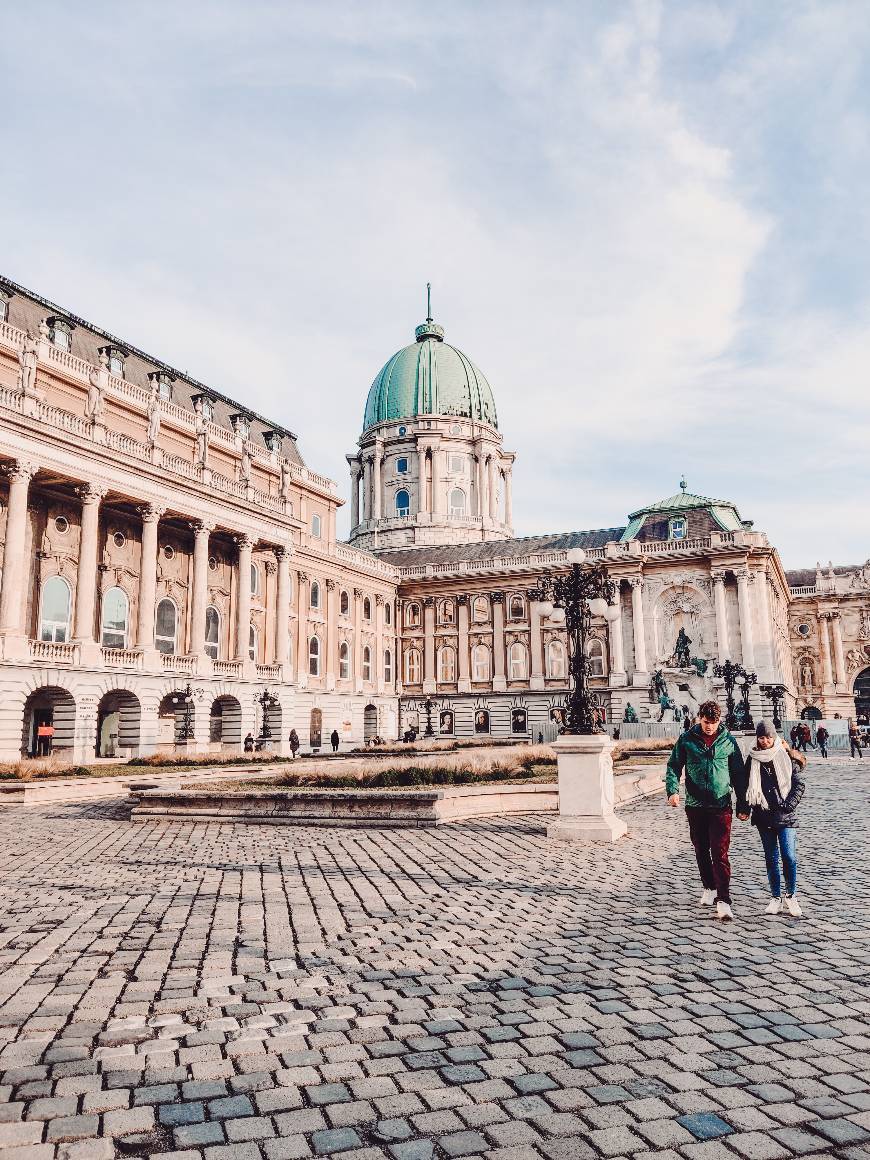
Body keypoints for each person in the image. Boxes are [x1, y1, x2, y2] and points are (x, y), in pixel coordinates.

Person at [666, 700, 745, 921]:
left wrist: (743, 803)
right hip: (696, 804)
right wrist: (673, 790)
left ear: (719, 721)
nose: (709, 726)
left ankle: (724, 900)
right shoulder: (687, 739)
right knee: (701, 849)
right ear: (699, 717)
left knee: (720, 853)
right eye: (706, 721)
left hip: (721, 804)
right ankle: (709, 886)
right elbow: (673, 765)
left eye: (714, 722)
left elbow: (738, 773)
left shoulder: (728, 741)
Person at [735, 720, 805, 917]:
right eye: (761, 737)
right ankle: (775, 897)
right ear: (757, 738)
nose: (765, 741)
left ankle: (791, 895)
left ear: (774, 737)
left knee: (789, 856)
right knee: (771, 858)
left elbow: (799, 784)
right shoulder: (752, 759)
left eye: (768, 737)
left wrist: (788, 805)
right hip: (763, 815)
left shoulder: (785, 756)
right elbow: (745, 787)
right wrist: (743, 809)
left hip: (785, 816)